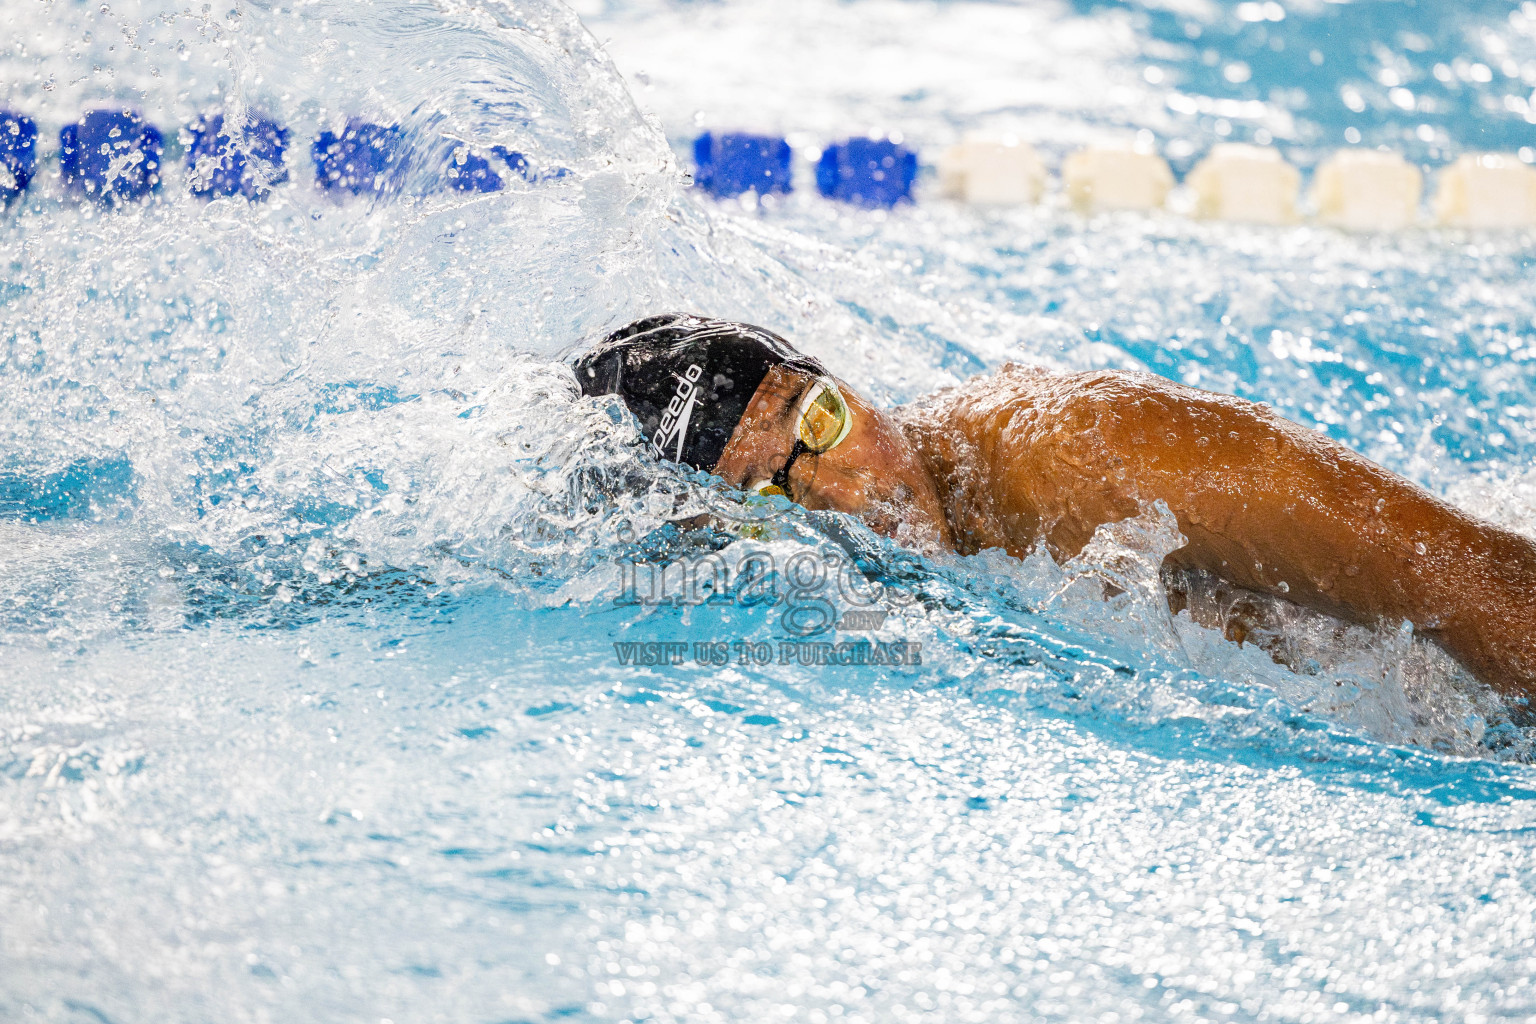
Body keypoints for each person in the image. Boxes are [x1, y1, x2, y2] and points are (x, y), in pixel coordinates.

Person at [574, 312, 1536, 700]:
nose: (850, 489)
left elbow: (1462, 578)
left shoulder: (1089, 455)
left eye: (820, 418)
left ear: (840, 380)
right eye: (771, 489)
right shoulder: (817, 591)